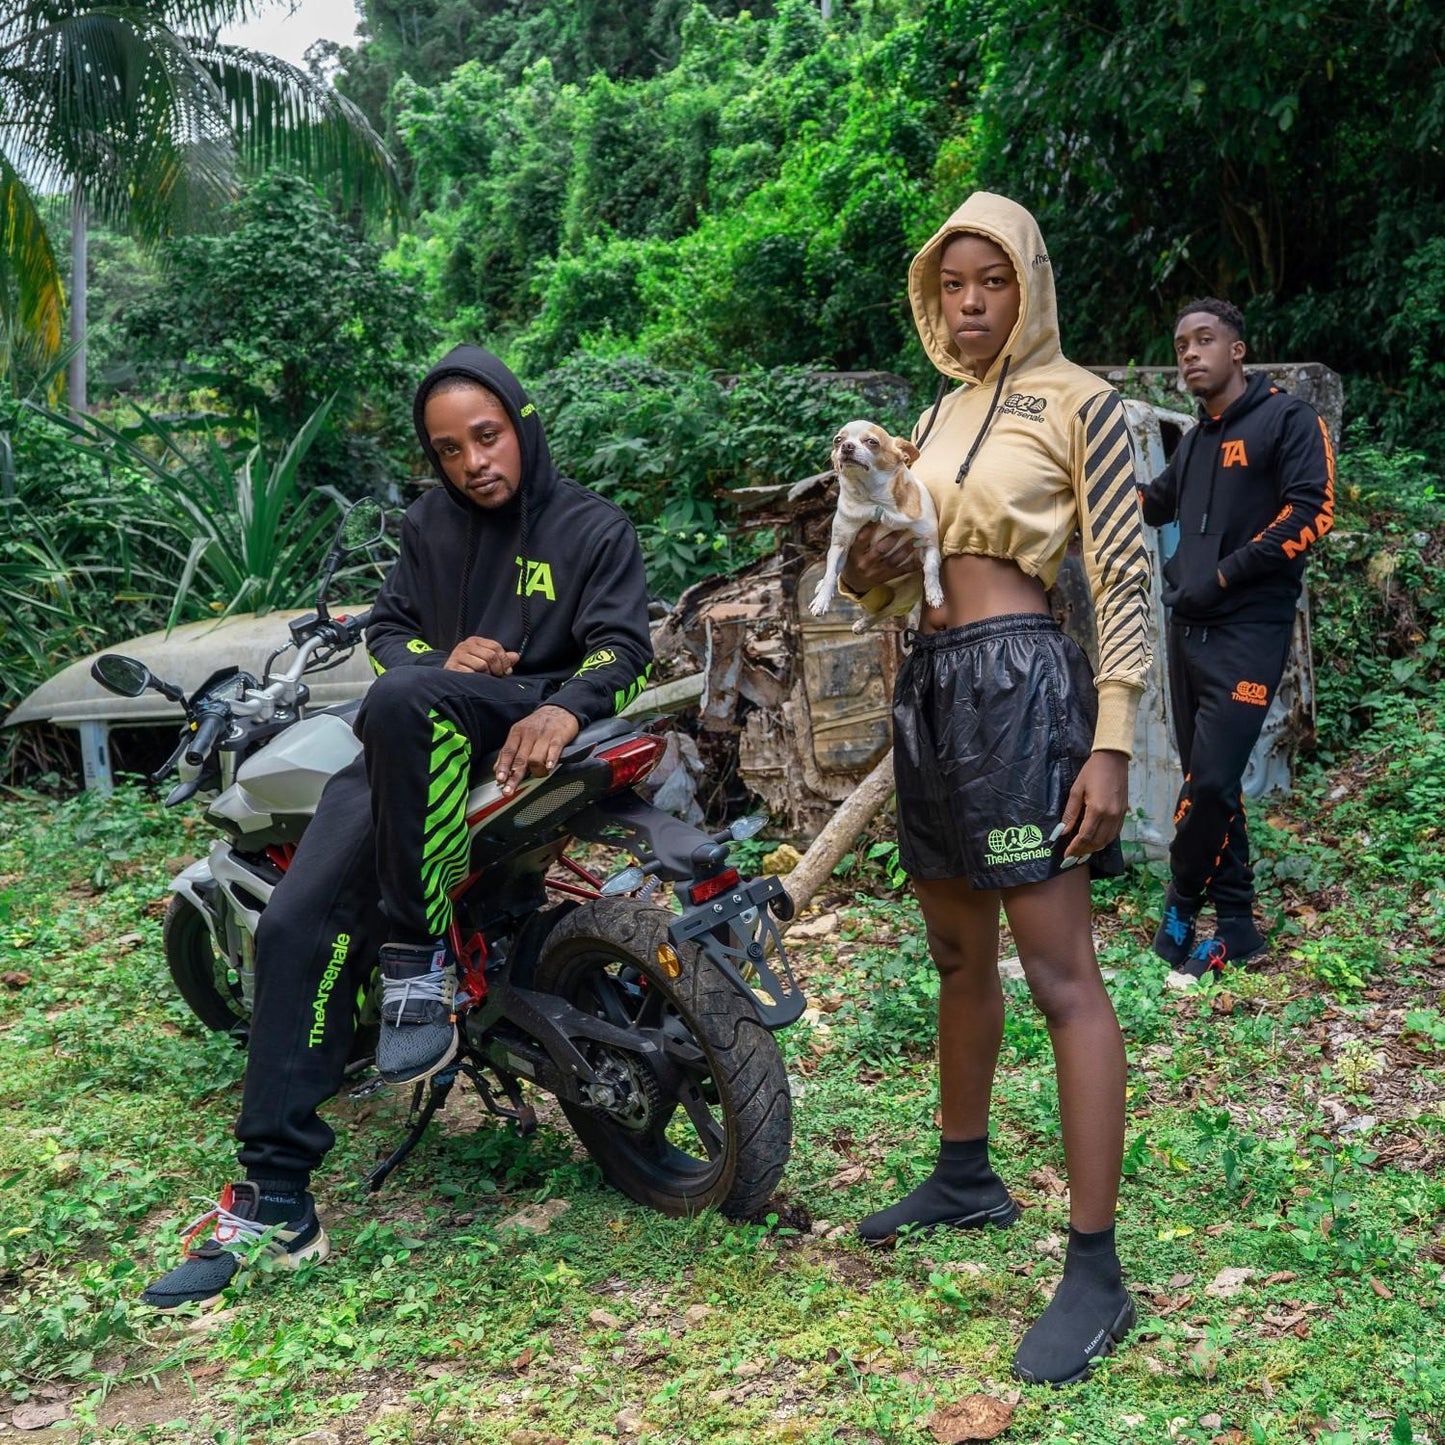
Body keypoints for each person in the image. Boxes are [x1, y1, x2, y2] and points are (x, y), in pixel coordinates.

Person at [141, 345, 653, 1309]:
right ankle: (275, 1202)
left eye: (487, 437)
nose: (473, 463)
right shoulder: (429, 525)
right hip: (410, 736)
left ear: (522, 420)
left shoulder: (592, 527)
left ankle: (417, 960)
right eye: (449, 450)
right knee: (295, 926)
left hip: (524, 733)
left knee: (406, 701)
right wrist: (439, 655)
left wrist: (566, 707)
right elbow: (387, 635)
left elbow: (627, 645)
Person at [838, 192, 1153, 1386]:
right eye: (951, 284)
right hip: (928, 683)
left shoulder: (1082, 402)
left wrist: (1109, 738)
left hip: (1024, 686)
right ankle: (964, 1173)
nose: (970, 304)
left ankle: (1094, 1268)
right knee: (959, 955)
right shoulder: (929, 413)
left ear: (1028, 284)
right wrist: (872, 567)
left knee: (1060, 969)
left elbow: (1120, 576)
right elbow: (901, 578)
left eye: (992, 281)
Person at [1141, 299, 1334, 983]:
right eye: (1180, 344)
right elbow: (1153, 503)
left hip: (1247, 632)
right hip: (1184, 631)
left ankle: (1177, 912)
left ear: (1237, 351)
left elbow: (1312, 511)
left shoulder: (1286, 419)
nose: (1189, 353)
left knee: (1213, 779)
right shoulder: (1193, 441)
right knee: (1210, 787)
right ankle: (1237, 929)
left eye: (1203, 340)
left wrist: (1223, 574)